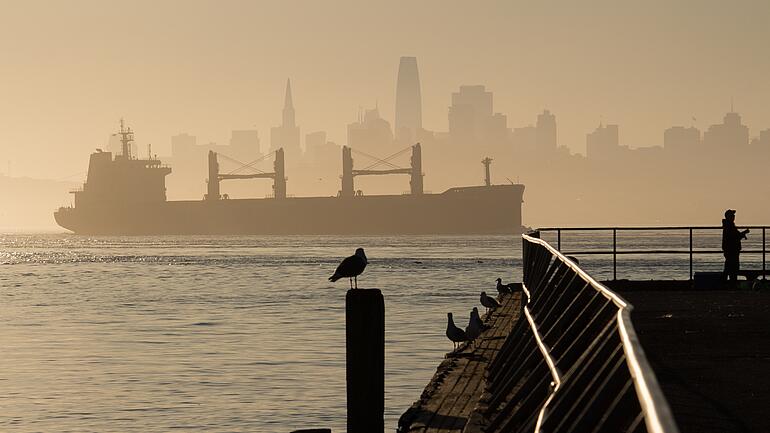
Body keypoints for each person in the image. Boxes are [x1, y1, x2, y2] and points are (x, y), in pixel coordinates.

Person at [722, 209, 749, 283]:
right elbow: (735, 236)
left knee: (729, 267)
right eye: (732, 215)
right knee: (732, 267)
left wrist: (742, 234)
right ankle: (731, 283)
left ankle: (727, 283)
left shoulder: (729, 225)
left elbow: (735, 235)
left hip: (730, 249)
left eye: (734, 215)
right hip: (731, 250)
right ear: (728, 216)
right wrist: (744, 232)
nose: (734, 217)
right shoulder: (729, 226)